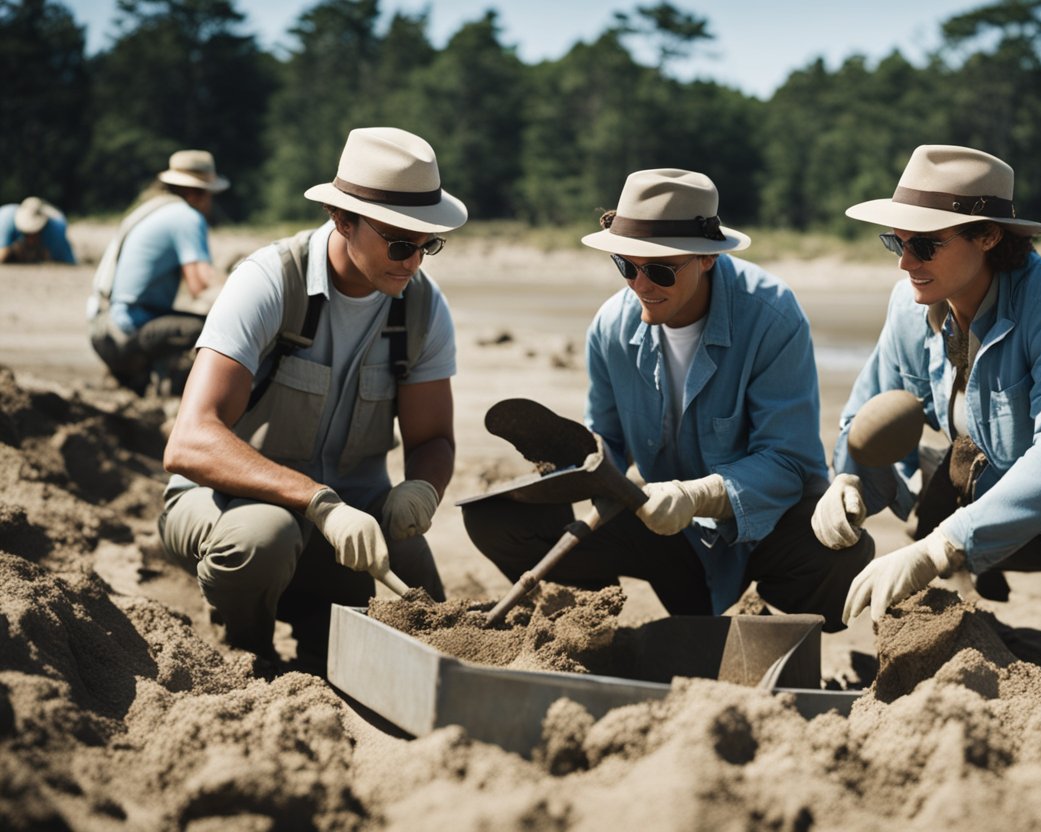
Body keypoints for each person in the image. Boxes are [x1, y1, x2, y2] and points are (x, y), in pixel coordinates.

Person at [818, 144, 1041, 718]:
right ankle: (973, 632)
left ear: (988, 237)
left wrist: (944, 544)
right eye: (896, 241)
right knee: (906, 482)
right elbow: (869, 412)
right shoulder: (913, 303)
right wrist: (846, 480)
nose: (905, 261)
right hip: (983, 488)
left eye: (925, 243)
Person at [463, 169, 873, 628]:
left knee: (844, 557)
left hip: (762, 531)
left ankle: (769, 626)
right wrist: (569, 466)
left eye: (659, 270)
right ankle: (593, 628)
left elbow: (790, 462)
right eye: (625, 265)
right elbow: (608, 446)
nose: (639, 284)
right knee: (494, 519)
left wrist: (699, 495)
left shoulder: (772, 318)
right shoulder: (610, 327)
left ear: (707, 259)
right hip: (665, 536)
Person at [159, 127, 465, 664]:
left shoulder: (422, 308)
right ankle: (248, 649)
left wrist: (420, 490)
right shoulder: (269, 281)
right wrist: (316, 502)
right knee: (263, 538)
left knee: (429, 621)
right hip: (230, 507)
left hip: (356, 522)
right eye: (399, 243)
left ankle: (318, 619)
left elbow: (434, 438)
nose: (414, 262)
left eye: (427, 245)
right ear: (342, 220)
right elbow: (189, 442)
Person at [89, 150, 228, 395]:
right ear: (198, 193)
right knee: (210, 330)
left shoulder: (151, 209)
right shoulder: (187, 217)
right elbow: (200, 286)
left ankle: (138, 377)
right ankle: (176, 389)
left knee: (182, 322)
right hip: (123, 333)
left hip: (104, 326)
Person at [0, 196, 76, 264]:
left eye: (34, 233)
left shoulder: (57, 227)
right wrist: (13, 251)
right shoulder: (5, 219)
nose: (30, 238)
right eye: (26, 233)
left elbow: (68, 263)